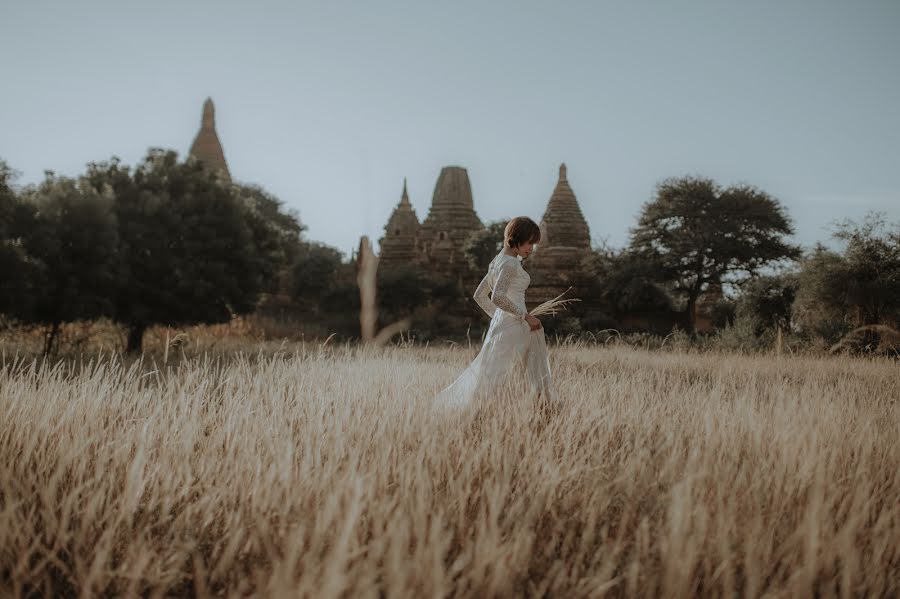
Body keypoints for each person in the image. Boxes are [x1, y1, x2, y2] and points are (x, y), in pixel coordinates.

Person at [433, 216, 557, 411]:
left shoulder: (496, 262)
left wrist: (501, 317)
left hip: (505, 324)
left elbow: (479, 295)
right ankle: (531, 413)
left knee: (496, 373)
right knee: (514, 374)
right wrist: (524, 316)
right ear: (517, 238)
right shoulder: (510, 264)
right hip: (515, 325)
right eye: (529, 243)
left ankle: (494, 414)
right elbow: (497, 297)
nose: (531, 248)